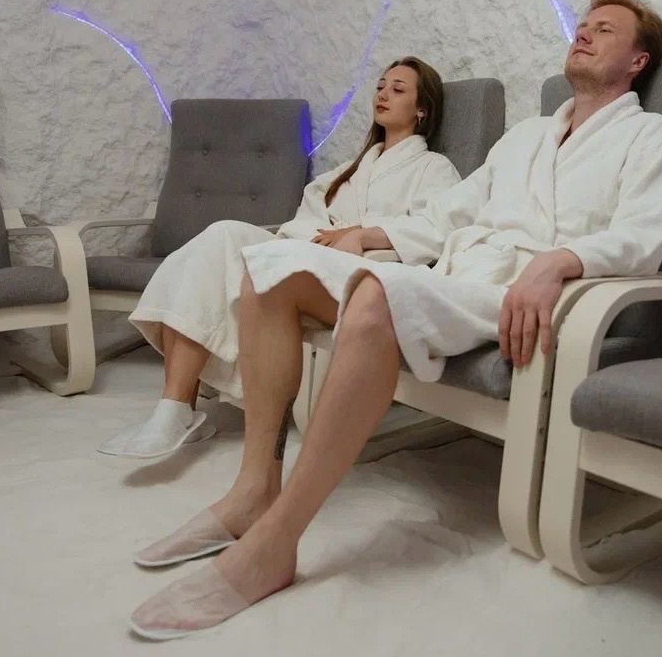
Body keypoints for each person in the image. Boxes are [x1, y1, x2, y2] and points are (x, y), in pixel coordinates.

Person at [129, 0, 662, 639]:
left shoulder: (650, 135)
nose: (583, 34)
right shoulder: (526, 137)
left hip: (532, 295)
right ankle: (253, 489)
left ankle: (275, 542)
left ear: (637, 60)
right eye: (583, 25)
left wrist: (562, 259)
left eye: (605, 29)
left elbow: (645, 233)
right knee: (270, 269)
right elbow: (451, 213)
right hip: (460, 275)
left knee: (373, 296)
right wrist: (370, 234)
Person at [99, 56, 460, 459]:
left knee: (238, 254)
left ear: (421, 108)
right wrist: (325, 239)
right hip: (313, 255)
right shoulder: (351, 169)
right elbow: (303, 219)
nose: (383, 94)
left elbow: (438, 230)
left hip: (366, 275)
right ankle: (176, 407)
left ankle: (178, 410)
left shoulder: (434, 168)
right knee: (222, 235)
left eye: (398, 89)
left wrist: (361, 234)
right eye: (380, 86)